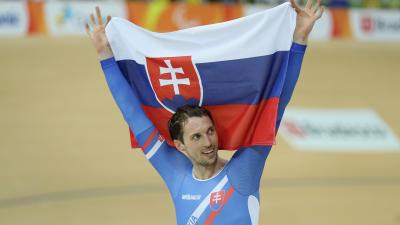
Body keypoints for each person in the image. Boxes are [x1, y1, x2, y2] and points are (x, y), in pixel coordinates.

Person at [85, 0, 323, 224]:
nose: (209, 142)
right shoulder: (176, 173)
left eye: (210, 131)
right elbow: (134, 116)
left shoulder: (242, 174)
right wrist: (104, 54)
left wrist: (299, 39)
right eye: (196, 137)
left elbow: (276, 107)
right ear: (180, 145)